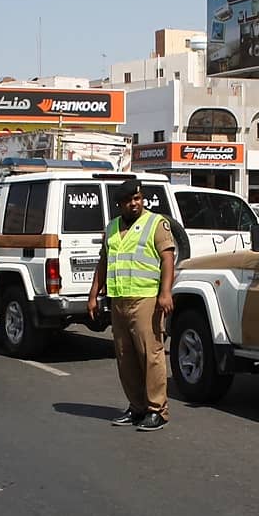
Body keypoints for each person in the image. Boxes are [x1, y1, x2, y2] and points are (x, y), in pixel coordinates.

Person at [88, 180, 177, 432]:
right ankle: (137, 407)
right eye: (129, 200)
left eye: (138, 198)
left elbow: (167, 258)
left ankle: (157, 410)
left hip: (146, 299)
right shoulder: (113, 227)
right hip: (119, 300)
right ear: (120, 204)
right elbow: (103, 261)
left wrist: (166, 292)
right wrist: (93, 294)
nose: (135, 203)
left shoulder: (156, 224)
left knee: (151, 356)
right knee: (125, 357)